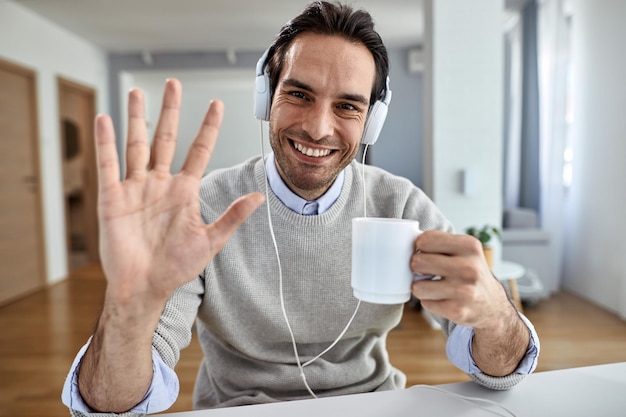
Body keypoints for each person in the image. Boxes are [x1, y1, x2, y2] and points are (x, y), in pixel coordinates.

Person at [62, 1, 539, 415]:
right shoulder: (202, 207)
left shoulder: (400, 204)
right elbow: (110, 407)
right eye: (298, 94)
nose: (318, 128)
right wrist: (127, 308)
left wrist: (495, 314)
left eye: (348, 106)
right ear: (266, 96)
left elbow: (503, 374)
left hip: (371, 405)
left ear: (371, 122)